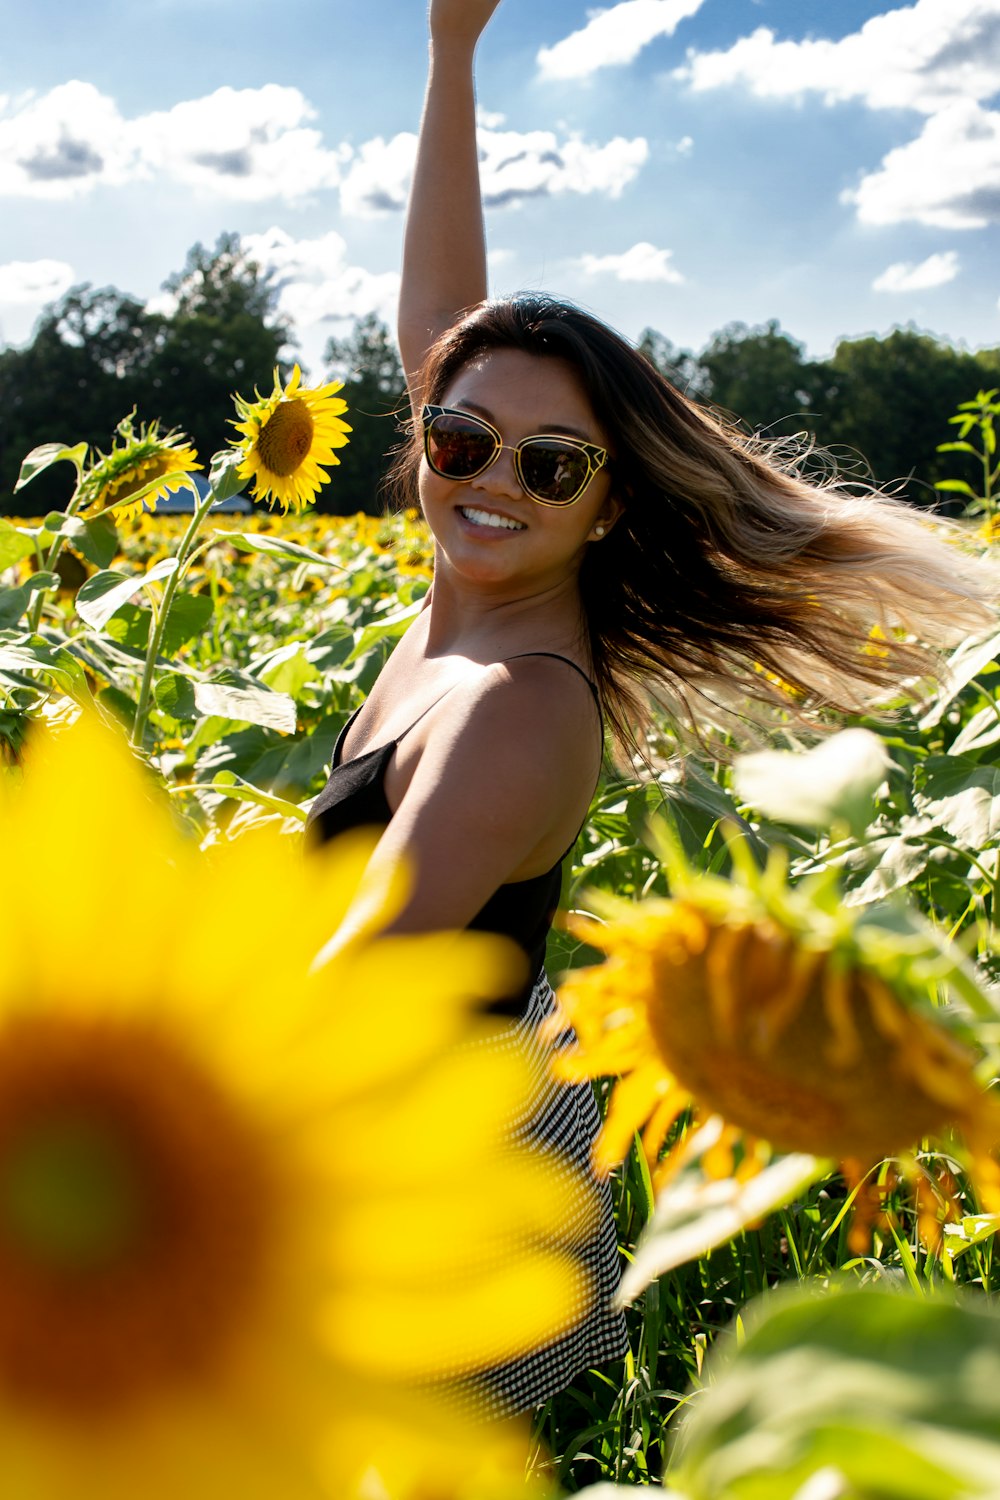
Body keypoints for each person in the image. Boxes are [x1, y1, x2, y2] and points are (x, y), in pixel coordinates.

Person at [307, 0, 994, 1415]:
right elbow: (441, 323)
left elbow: (355, 973)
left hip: (429, 1193)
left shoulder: (512, 705)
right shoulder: (477, 619)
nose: (492, 479)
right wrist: (451, 48)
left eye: (552, 466)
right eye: (461, 438)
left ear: (610, 504)